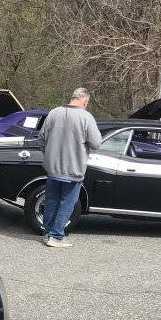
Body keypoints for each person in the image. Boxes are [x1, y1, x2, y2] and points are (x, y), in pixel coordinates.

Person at [36, 87, 102, 248]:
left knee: (51, 201)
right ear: (85, 101)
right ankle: (56, 236)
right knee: (67, 203)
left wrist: (49, 155)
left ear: (72, 97)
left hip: (52, 168)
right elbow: (96, 143)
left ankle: (47, 233)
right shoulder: (86, 117)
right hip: (73, 170)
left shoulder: (53, 113)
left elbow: (41, 139)